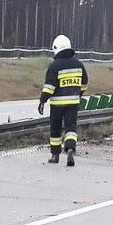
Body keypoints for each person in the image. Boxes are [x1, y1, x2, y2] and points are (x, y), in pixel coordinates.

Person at [38, 34, 87, 166]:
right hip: (73, 103)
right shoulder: (79, 64)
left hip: (57, 104)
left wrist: (42, 100)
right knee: (71, 127)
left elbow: (49, 87)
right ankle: (70, 148)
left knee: (55, 128)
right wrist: (78, 94)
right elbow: (85, 84)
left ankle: (55, 155)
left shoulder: (54, 66)